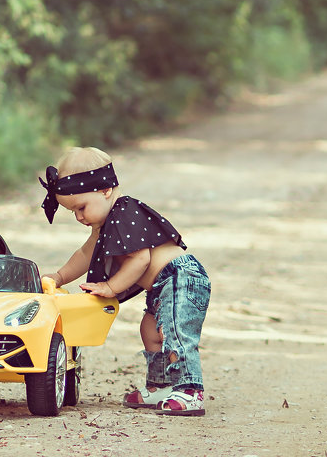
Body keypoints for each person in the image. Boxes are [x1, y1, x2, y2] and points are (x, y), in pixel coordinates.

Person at [38, 146, 210, 416]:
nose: (79, 216)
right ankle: (161, 387)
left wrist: (110, 287)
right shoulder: (105, 223)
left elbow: (140, 259)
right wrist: (59, 276)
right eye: (73, 212)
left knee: (173, 332)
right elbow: (85, 254)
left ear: (104, 190)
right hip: (161, 285)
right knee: (150, 332)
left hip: (181, 276)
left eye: (81, 207)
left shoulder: (124, 210)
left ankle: (190, 389)